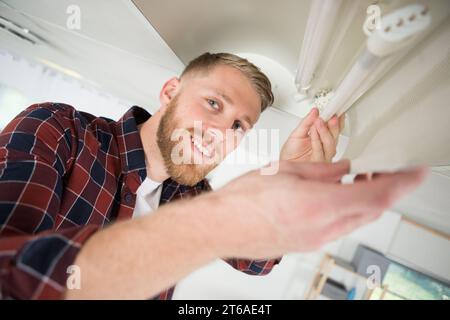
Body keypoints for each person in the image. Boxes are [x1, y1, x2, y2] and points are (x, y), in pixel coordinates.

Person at [0, 53, 426, 299]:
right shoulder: (59, 130)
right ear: (169, 93)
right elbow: (8, 272)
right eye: (214, 104)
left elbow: (257, 260)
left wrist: (290, 173)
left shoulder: (191, 196)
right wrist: (218, 221)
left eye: (240, 125)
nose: (222, 133)